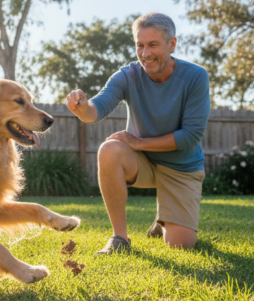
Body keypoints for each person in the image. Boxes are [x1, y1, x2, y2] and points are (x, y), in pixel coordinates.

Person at [65, 13, 210, 253]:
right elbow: (96, 110)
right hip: (142, 162)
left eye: (153, 45)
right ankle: (120, 239)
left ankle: (163, 222)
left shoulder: (195, 76)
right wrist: (82, 107)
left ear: (172, 44)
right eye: (140, 45)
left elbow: (191, 136)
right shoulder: (128, 75)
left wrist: (139, 142)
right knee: (109, 149)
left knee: (181, 245)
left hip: (181, 167)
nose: (145, 53)